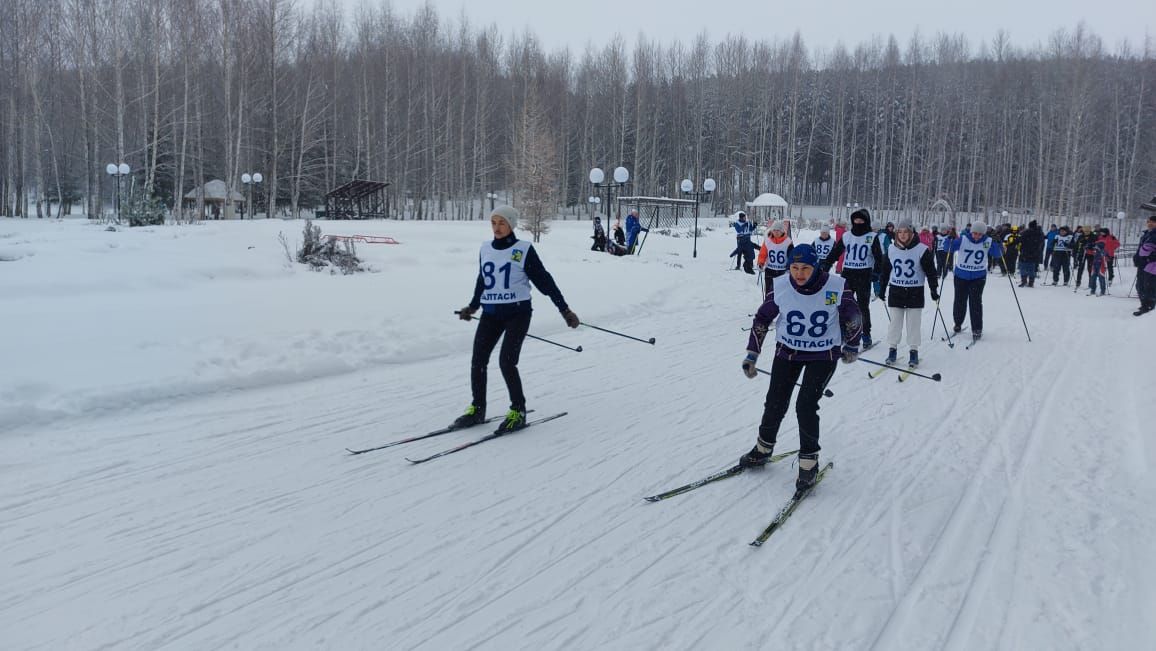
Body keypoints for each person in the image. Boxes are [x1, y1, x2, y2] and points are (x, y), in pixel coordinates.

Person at [738, 244, 862, 494]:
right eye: (794, 268)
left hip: (823, 354)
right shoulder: (782, 285)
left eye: (805, 268)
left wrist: (851, 344)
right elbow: (762, 318)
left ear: (815, 266)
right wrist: (753, 353)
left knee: (805, 404)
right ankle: (763, 449)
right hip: (788, 352)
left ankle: (808, 462)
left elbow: (854, 316)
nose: (799, 273)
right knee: (775, 400)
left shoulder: (835, 286)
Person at [455, 206, 580, 433]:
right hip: (491, 313)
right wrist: (472, 307)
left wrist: (565, 310)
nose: (497, 227)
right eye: (493, 222)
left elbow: (545, 282)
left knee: (506, 362)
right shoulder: (485, 249)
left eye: (502, 222)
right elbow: (482, 280)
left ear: (511, 224)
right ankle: (478, 408)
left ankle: (518, 411)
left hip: (517, 314)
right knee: (478, 360)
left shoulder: (523, 250)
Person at [878, 220, 939, 367]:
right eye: (900, 232)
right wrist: (881, 288)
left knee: (913, 324)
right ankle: (892, 350)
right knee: (895, 324)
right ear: (897, 234)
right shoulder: (891, 249)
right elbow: (885, 271)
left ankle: (913, 351)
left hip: (915, 291)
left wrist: (933, 289)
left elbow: (930, 271)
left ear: (911, 233)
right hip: (896, 291)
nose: (903, 235)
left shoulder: (922, 249)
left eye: (906, 232)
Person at [821, 208, 884, 349]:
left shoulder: (872, 237)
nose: (858, 222)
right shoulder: (847, 235)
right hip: (848, 273)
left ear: (866, 221)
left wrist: (877, 273)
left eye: (861, 220)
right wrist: (826, 265)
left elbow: (879, 258)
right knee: (841, 303)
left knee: (862, 307)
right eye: (856, 220)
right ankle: (842, 330)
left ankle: (866, 334)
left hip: (864, 274)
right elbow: (836, 251)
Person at [947, 221, 1002, 341]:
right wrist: (949, 238)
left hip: (978, 277)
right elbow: (948, 248)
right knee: (959, 300)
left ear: (984, 234)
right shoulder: (963, 239)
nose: (976, 236)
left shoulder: (988, 241)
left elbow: (998, 254)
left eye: (979, 234)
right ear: (971, 232)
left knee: (975, 302)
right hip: (961, 275)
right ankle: (958, 323)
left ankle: (977, 329)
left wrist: (998, 242)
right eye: (974, 233)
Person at [757, 220, 793, 297]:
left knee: (782, 292)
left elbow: (791, 257)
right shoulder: (767, 241)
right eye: (774, 230)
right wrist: (760, 263)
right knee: (769, 291)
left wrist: (790, 268)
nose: (776, 232)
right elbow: (763, 254)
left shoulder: (788, 241)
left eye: (778, 230)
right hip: (770, 270)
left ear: (782, 231)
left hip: (782, 271)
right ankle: (768, 305)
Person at [1133, 209, 1156, 316]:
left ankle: (1149, 305)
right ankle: (1144, 304)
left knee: (1148, 286)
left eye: (1152, 222)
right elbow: (1141, 248)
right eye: (1148, 221)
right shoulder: (1147, 234)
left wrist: (1150, 257)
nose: (1149, 223)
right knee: (1140, 285)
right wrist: (1136, 257)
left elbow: (1149, 250)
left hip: (1151, 264)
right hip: (1142, 264)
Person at [1017, 220, 1044, 287]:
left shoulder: (1026, 232)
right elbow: (1041, 243)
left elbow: (1020, 240)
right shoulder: (1039, 233)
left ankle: (1025, 281)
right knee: (1031, 268)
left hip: (1026, 252)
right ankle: (1030, 282)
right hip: (1033, 253)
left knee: (1024, 267)